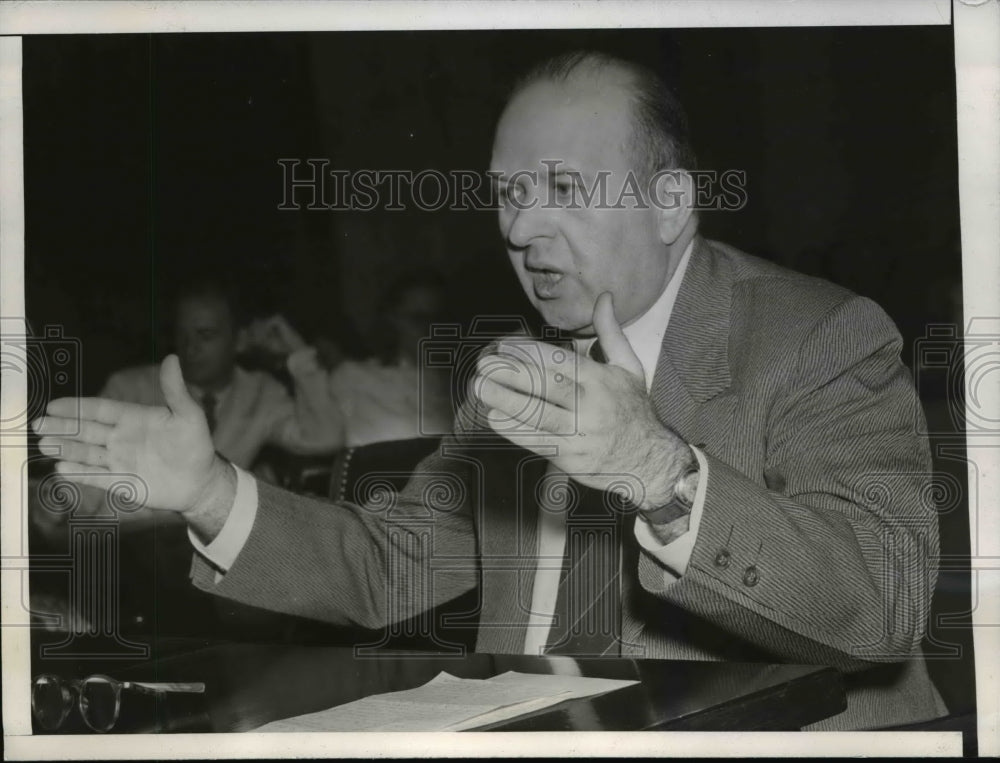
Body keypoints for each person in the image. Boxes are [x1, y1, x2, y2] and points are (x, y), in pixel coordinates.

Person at [35, 51, 944, 730]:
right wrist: (210, 490)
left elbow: (884, 604)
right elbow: (395, 564)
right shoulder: (517, 371)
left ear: (671, 203)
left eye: (560, 187)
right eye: (508, 191)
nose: (519, 226)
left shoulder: (819, 334)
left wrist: (661, 471)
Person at [98, 278, 345, 475]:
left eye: (205, 335)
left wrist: (299, 356)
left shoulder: (260, 393)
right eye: (182, 336)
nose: (190, 348)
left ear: (239, 341)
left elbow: (326, 438)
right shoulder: (128, 389)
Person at [248, 271, 454, 450]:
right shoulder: (355, 378)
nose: (431, 328)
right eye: (418, 319)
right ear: (393, 320)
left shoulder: (461, 385)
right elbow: (321, 434)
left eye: (439, 318)